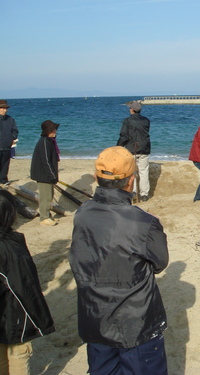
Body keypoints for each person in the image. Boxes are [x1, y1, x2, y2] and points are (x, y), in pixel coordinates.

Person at [69, 146, 169, 375]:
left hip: (94, 316)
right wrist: (154, 230)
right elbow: (160, 263)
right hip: (135, 323)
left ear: (96, 177)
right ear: (131, 181)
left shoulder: (82, 213)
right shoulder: (142, 222)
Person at [0, 189, 55, 375]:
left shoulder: (12, 243)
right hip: (13, 315)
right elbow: (24, 286)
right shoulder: (10, 250)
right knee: (17, 356)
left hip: (9, 312)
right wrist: (40, 321)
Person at [117, 101, 151, 202]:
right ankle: (144, 194)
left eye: (130, 108)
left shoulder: (127, 121)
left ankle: (134, 191)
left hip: (132, 149)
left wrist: (118, 147)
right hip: (144, 148)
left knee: (132, 172)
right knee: (144, 171)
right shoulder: (146, 120)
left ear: (132, 110)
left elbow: (124, 136)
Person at [30, 120, 60, 226]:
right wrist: (52, 175)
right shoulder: (44, 142)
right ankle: (44, 217)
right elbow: (46, 161)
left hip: (46, 174)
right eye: (53, 129)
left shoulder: (49, 141)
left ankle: (47, 215)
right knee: (45, 196)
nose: (55, 131)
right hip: (43, 174)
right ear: (48, 131)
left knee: (50, 195)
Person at [0, 100, 19, 185]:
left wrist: (12, 138)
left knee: (5, 163)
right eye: (3, 108)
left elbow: (15, 130)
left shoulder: (10, 119)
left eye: (6, 108)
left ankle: (3, 179)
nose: (5, 110)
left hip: (7, 145)